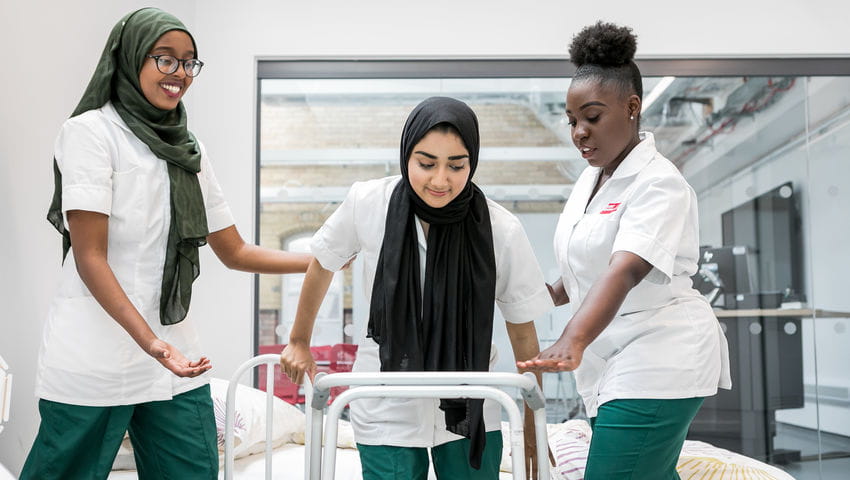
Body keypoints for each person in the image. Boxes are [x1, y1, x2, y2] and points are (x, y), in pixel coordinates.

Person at [21, 8, 311, 479]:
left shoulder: (188, 149)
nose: (179, 73)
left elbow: (234, 251)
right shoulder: (89, 133)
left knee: (193, 471)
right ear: (131, 57)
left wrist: (320, 262)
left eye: (189, 62)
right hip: (95, 356)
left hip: (173, 358)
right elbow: (89, 255)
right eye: (165, 58)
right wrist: (151, 342)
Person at [280, 96, 554, 479]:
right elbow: (323, 263)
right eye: (426, 164)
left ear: (471, 162)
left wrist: (531, 424)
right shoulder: (368, 202)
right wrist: (298, 340)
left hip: (471, 396)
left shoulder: (500, 228)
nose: (440, 180)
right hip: (386, 395)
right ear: (406, 155)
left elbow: (523, 330)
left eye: (456, 166)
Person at [518, 22, 732, 479]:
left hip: (662, 351)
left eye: (592, 117)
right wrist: (535, 295)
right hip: (614, 357)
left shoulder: (660, 183)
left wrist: (573, 337)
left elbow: (624, 269)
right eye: (572, 120)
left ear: (632, 107)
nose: (579, 132)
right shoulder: (591, 180)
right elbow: (581, 271)